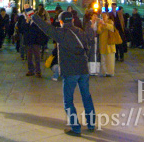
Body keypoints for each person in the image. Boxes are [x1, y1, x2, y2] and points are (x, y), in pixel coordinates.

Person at [28, 8, 97, 136]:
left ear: (61, 22)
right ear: (72, 20)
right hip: (83, 69)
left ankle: (76, 128)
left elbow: (45, 27)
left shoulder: (60, 33)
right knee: (86, 97)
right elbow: (89, 45)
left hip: (70, 71)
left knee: (68, 101)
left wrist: (32, 14)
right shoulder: (80, 31)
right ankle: (91, 124)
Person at [22, 10, 48, 77]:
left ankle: (38, 71)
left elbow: (40, 31)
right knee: (29, 57)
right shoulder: (26, 21)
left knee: (37, 57)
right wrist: (27, 22)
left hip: (36, 42)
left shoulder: (37, 22)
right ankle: (31, 70)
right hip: (29, 42)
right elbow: (23, 30)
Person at [96, 12, 116, 77]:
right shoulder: (100, 23)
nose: (104, 17)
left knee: (110, 59)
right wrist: (101, 25)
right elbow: (98, 31)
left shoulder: (110, 22)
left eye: (105, 16)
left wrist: (104, 24)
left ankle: (110, 72)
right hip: (103, 43)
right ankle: (104, 72)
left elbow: (111, 28)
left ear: (108, 16)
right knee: (103, 59)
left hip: (109, 44)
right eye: (102, 16)